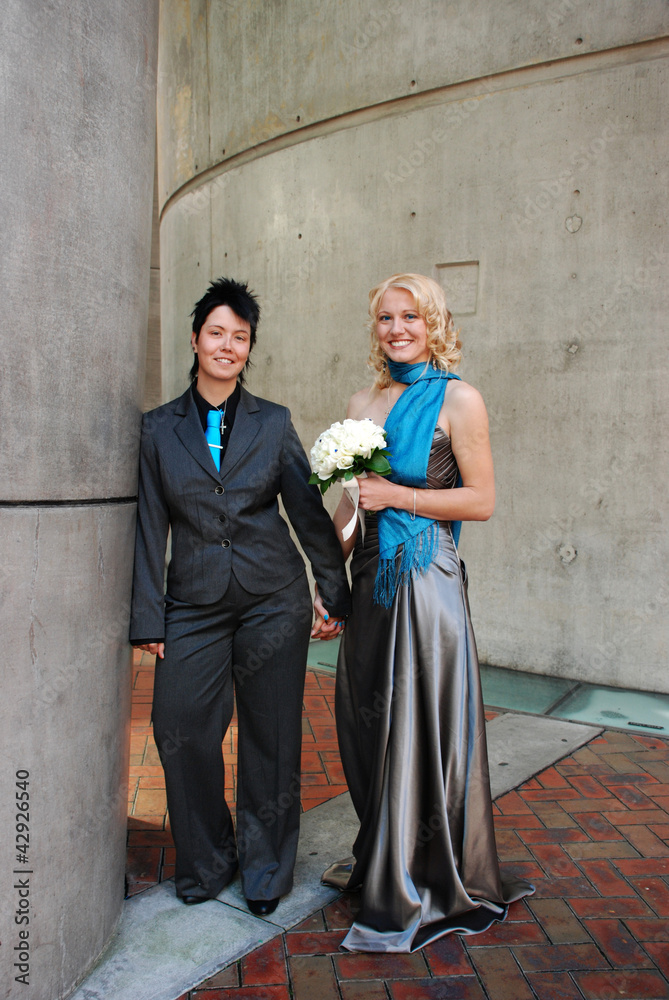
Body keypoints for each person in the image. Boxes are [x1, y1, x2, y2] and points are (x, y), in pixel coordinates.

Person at [321, 273, 534, 951]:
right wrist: (323, 579)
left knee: (418, 723)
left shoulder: (459, 399)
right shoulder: (362, 401)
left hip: (426, 579)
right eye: (386, 318)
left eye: (410, 317)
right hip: (369, 580)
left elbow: (481, 500)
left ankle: (422, 873)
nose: (397, 329)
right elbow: (350, 502)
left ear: (433, 323)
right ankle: (385, 851)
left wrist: (398, 497)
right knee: (366, 718)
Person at [129, 277, 350, 915]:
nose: (227, 346)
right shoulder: (158, 429)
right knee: (179, 727)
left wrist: (331, 591)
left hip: (272, 598)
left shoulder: (273, 422)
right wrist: (149, 617)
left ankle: (265, 869)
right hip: (192, 603)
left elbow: (307, 511)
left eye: (240, 337)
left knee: (271, 736)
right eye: (217, 333)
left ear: (250, 349)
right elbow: (148, 526)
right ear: (195, 340)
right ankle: (208, 859)